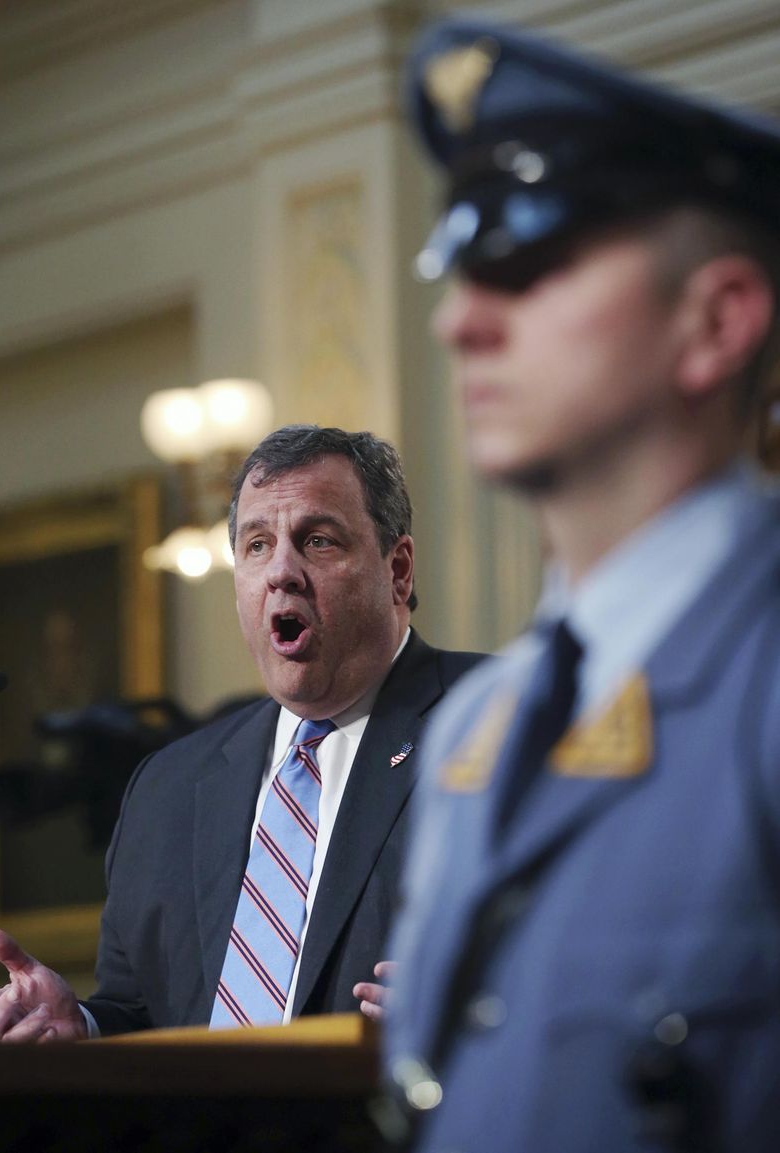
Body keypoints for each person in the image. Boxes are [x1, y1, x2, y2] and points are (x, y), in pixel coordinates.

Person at [385, 15, 780, 1153]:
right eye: (459, 270)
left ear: (713, 322)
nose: (459, 320)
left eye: (522, 261)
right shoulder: (478, 727)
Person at [0, 424, 483, 1040]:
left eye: (317, 541)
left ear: (397, 571)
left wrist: (482, 1005)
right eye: (257, 546)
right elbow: (141, 1009)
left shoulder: (499, 722)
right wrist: (86, 1026)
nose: (281, 572)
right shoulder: (166, 787)